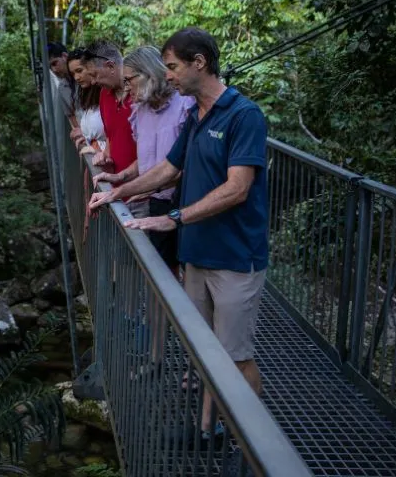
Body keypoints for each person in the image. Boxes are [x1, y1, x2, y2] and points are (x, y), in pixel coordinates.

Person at [87, 27, 269, 448]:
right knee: (205, 349)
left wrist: (176, 217)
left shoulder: (244, 116)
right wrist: (117, 192)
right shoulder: (196, 116)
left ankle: (256, 444)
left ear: (198, 63)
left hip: (234, 257)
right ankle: (209, 428)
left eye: (171, 67)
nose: (166, 75)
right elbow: (168, 169)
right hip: (197, 251)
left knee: (235, 357)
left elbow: (238, 188)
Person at [94, 45, 193, 272]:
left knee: (187, 268)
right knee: (163, 267)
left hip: (186, 199)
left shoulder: (186, 105)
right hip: (157, 200)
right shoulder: (139, 111)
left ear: (149, 74)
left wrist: (134, 189)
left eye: (129, 80)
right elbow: (146, 159)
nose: (126, 87)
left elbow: (184, 164)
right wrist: (122, 176)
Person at [81, 41, 136, 183]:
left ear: (111, 66)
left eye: (94, 75)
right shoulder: (104, 94)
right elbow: (110, 135)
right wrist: (105, 155)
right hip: (117, 187)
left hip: (143, 188)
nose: (93, 82)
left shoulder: (139, 94)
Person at [66, 48, 106, 154]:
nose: (76, 78)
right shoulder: (88, 95)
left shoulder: (107, 91)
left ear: (92, 66)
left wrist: (97, 147)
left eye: (79, 71)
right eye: (73, 74)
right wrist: (87, 137)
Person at [48, 42, 77, 127]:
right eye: (50, 67)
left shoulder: (86, 74)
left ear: (65, 56)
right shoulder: (61, 88)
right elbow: (71, 117)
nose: (54, 70)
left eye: (54, 63)